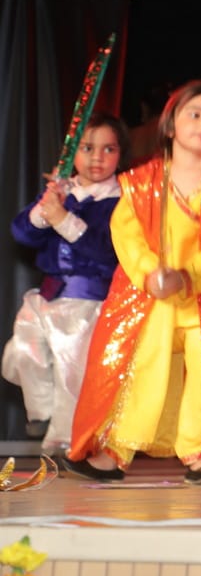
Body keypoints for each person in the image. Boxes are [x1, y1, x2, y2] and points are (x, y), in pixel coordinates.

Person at [64, 82, 201, 485]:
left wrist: (185, 278)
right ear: (170, 125)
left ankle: (200, 453)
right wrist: (150, 275)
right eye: (196, 114)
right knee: (140, 370)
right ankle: (114, 452)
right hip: (149, 298)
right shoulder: (139, 183)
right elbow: (128, 236)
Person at [4, 113, 127, 456]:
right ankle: (43, 411)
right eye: (87, 148)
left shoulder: (121, 200)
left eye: (108, 149)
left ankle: (64, 441)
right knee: (21, 351)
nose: (97, 157)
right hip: (47, 295)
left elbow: (106, 252)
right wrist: (47, 206)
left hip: (87, 301)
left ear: (121, 154)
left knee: (73, 373)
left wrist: (63, 219)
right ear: (72, 152)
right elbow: (22, 233)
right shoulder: (64, 191)